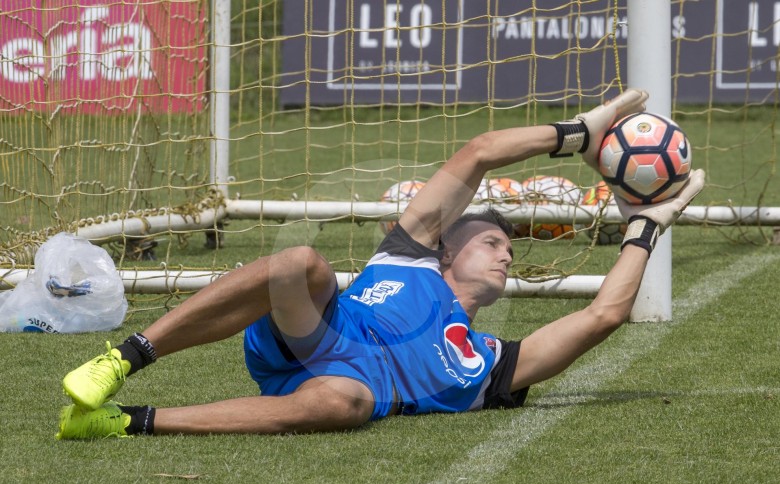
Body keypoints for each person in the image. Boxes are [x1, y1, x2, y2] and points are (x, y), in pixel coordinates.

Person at [56, 89, 705, 439]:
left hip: (339, 390)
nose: (506, 251)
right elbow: (478, 153)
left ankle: (126, 421)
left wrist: (644, 229)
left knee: (350, 401)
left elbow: (604, 314)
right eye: (490, 240)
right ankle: (124, 358)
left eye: (509, 246)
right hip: (315, 332)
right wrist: (578, 136)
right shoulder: (410, 255)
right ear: (448, 249)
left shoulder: (490, 365)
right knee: (304, 262)